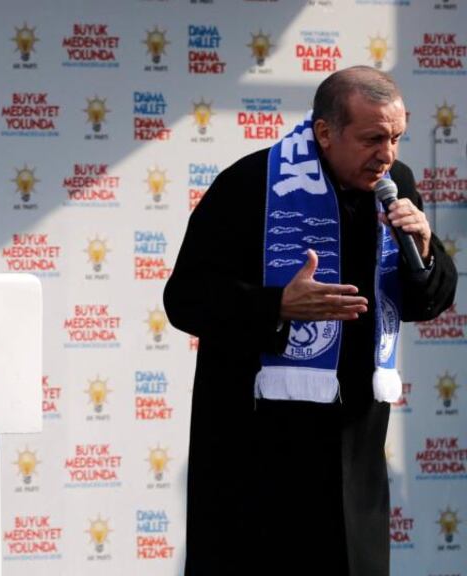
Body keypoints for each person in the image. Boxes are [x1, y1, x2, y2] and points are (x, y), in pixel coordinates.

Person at [164, 66, 457, 575]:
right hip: (256, 453)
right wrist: (276, 306)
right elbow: (185, 298)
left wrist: (426, 252)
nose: (387, 155)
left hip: (353, 450)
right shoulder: (250, 184)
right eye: (372, 139)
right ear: (325, 132)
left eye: (396, 138)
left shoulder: (396, 186)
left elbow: (425, 302)